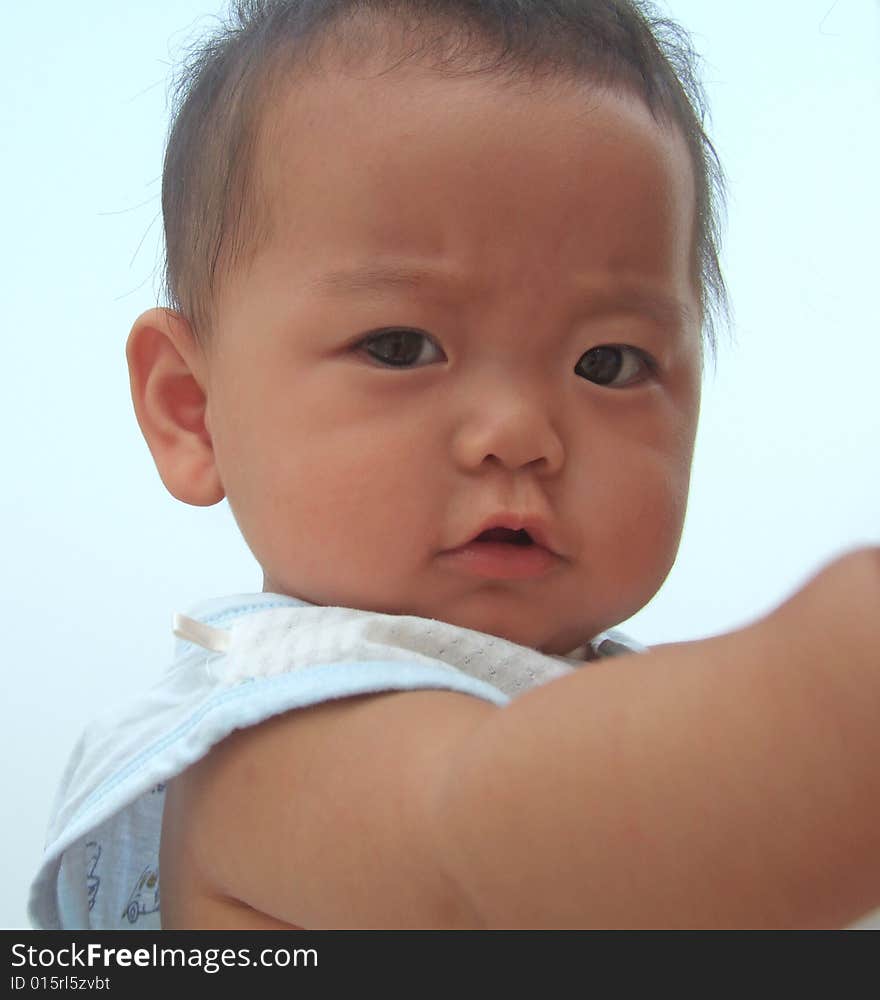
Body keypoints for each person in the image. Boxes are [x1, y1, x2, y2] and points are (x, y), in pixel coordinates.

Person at [30, 0, 880, 930]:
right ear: (191, 412)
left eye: (609, 364)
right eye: (400, 346)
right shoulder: (269, 742)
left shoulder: (613, 701)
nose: (518, 433)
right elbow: (508, 845)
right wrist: (841, 682)